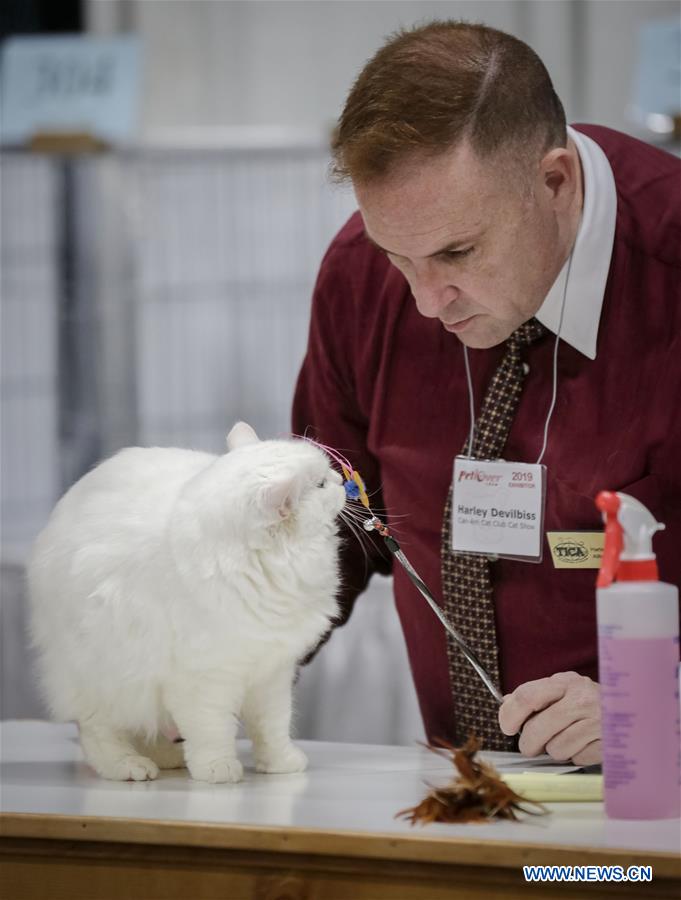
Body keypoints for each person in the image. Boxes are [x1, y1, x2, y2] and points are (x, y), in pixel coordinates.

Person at [292, 21, 680, 764]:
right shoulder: (360, 277)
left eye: (458, 252)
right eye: (397, 256)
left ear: (555, 182)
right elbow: (331, 522)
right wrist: (219, 658)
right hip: (463, 786)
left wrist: (659, 703)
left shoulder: (668, 264)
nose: (426, 301)